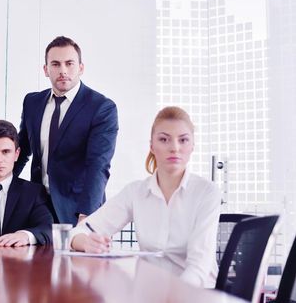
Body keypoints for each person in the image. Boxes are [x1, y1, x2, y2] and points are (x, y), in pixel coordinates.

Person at [70, 106, 221, 288]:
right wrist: (85, 242)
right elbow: (78, 231)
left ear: (192, 146)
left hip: (198, 294)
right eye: (164, 139)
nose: (174, 147)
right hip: (152, 292)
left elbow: (198, 268)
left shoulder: (207, 192)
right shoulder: (135, 192)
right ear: (152, 146)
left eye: (183, 140)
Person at [13, 36, 118, 225]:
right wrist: (0, 187)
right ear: (46, 70)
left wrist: (86, 216)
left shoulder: (101, 107)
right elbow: (21, 152)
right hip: (37, 206)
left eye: (69, 63)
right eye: (55, 64)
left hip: (77, 209)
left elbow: (98, 165)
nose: (63, 70)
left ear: (81, 68)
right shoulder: (32, 102)